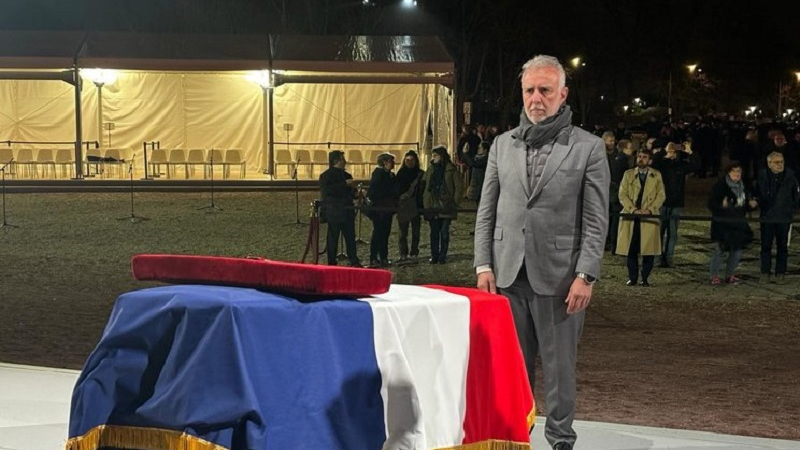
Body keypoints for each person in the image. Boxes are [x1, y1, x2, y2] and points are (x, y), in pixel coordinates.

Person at [473, 55, 609, 450]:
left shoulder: (589, 148)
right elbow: (487, 211)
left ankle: (561, 439)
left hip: (562, 279)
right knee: (512, 370)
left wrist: (586, 275)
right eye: (530, 90)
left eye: (545, 90)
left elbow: (597, 220)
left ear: (562, 95)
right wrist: (484, 264)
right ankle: (516, 437)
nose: (536, 98)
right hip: (507, 276)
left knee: (559, 369)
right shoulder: (501, 145)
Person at [616, 149, 665, 286]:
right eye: (639, 156)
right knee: (631, 249)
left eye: (644, 157)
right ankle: (632, 277)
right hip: (631, 217)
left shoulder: (656, 175)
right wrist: (633, 209)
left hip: (649, 218)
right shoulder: (628, 174)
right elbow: (622, 194)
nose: (641, 159)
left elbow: (660, 195)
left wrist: (649, 210)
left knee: (648, 250)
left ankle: (645, 278)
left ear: (649, 160)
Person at [708, 162, 758, 285]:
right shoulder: (721, 186)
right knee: (720, 250)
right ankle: (714, 276)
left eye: (739, 171)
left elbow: (743, 204)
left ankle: (730, 274)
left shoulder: (743, 186)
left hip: (738, 222)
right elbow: (711, 204)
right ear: (728, 173)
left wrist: (751, 205)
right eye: (734, 171)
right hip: (723, 223)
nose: (737, 174)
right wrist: (722, 205)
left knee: (737, 250)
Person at [651, 140, 699, 267]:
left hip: (676, 203)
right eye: (670, 149)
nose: (672, 152)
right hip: (662, 202)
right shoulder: (661, 164)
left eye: (674, 150)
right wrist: (664, 153)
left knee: (673, 234)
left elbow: (696, 166)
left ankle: (669, 258)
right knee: (659, 232)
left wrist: (690, 152)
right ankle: (657, 258)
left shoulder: (681, 166)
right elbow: (654, 163)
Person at [755, 152, 800, 284]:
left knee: (782, 246)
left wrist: (789, 208)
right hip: (767, 217)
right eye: (776, 162)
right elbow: (757, 193)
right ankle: (765, 272)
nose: (780, 164)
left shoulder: (791, 177)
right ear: (769, 164)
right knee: (765, 246)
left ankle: (780, 273)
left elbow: (796, 196)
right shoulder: (762, 177)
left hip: (783, 217)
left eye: (781, 161)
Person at [318, 150, 361, 267]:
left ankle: (353, 260)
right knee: (333, 239)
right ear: (337, 161)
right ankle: (331, 262)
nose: (345, 161)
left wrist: (356, 194)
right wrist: (345, 184)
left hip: (347, 211)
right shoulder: (326, 176)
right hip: (335, 211)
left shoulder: (347, 175)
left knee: (350, 237)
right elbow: (327, 192)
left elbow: (350, 193)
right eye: (343, 159)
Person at [423, 145, 463, 264]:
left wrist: (454, 202)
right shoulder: (431, 169)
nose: (433, 157)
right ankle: (434, 255)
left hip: (446, 205)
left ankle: (442, 256)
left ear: (442, 156)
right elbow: (426, 186)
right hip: (433, 205)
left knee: (444, 232)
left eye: (436, 155)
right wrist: (426, 202)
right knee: (434, 232)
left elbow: (458, 187)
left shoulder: (451, 169)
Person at [365, 152, 398, 267]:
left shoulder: (389, 174)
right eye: (391, 161)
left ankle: (383, 256)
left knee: (385, 232)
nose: (393, 163)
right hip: (380, 208)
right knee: (379, 232)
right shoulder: (379, 174)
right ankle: (374, 257)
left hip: (386, 208)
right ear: (385, 162)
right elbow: (375, 190)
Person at [395, 150, 425, 261]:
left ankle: (414, 252)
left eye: (412, 160)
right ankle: (403, 253)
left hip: (416, 205)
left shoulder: (420, 174)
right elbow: (397, 189)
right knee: (403, 232)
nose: (409, 162)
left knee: (416, 231)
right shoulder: (401, 173)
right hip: (403, 205)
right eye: (407, 160)